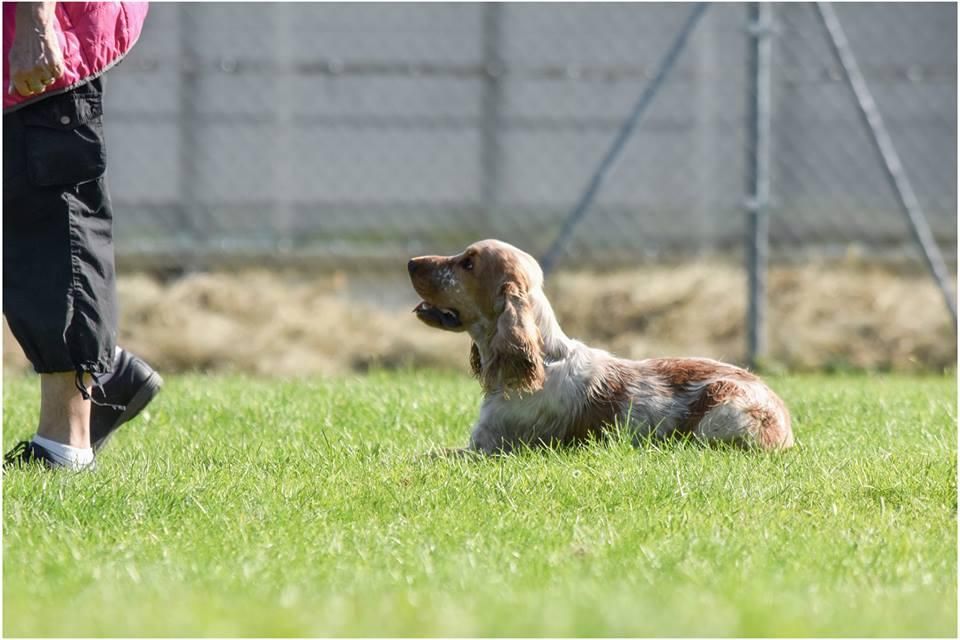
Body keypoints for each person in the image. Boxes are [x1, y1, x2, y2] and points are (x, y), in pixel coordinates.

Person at [3, 2, 160, 470]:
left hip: (40, 39)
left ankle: (64, 444)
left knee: (51, 230)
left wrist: (36, 22)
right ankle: (105, 379)